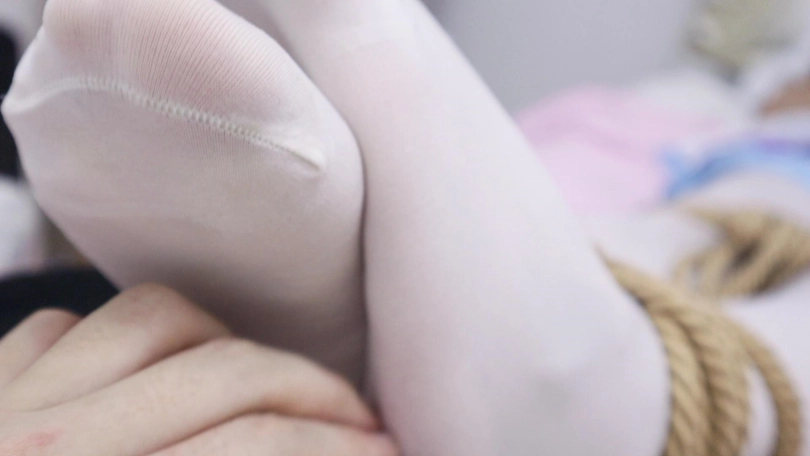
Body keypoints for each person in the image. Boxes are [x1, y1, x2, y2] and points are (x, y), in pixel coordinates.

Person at [2, 0, 808, 455]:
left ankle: (600, 386)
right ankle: (518, 356)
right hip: (677, 178)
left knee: (746, 221)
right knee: (612, 216)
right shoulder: (654, 116)